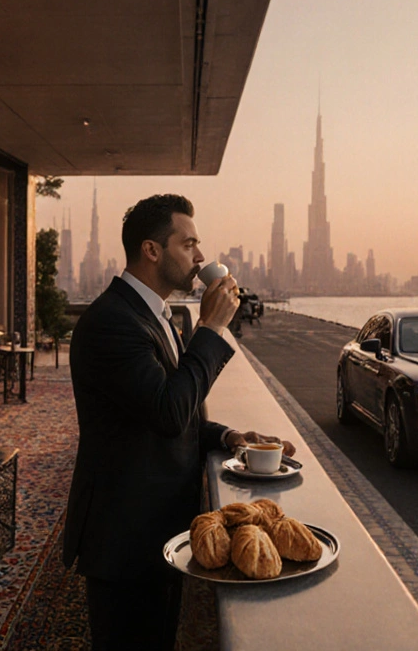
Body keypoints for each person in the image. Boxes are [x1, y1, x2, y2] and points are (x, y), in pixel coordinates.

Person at [63, 194, 294, 650]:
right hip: (126, 535)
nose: (200, 256)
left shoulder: (156, 316)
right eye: (188, 244)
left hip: (157, 525)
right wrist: (212, 329)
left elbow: (168, 410)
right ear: (152, 250)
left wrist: (229, 436)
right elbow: (168, 413)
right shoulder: (112, 321)